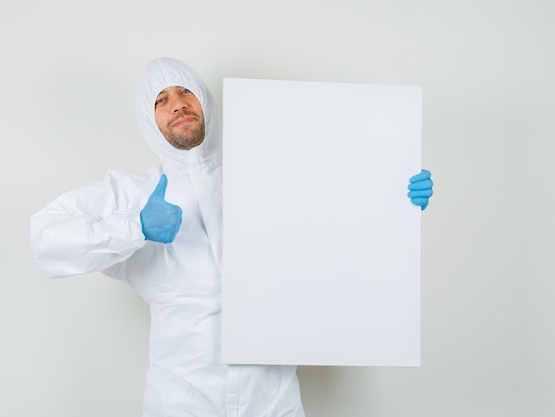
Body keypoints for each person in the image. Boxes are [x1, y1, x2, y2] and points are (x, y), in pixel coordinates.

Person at [30, 57, 433, 417]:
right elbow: (46, 238)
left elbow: (339, 217)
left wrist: (396, 197)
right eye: (161, 100)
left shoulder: (267, 177)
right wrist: (134, 227)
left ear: (205, 98)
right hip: (181, 403)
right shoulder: (137, 196)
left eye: (186, 91)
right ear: (147, 119)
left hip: (273, 401)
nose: (178, 104)